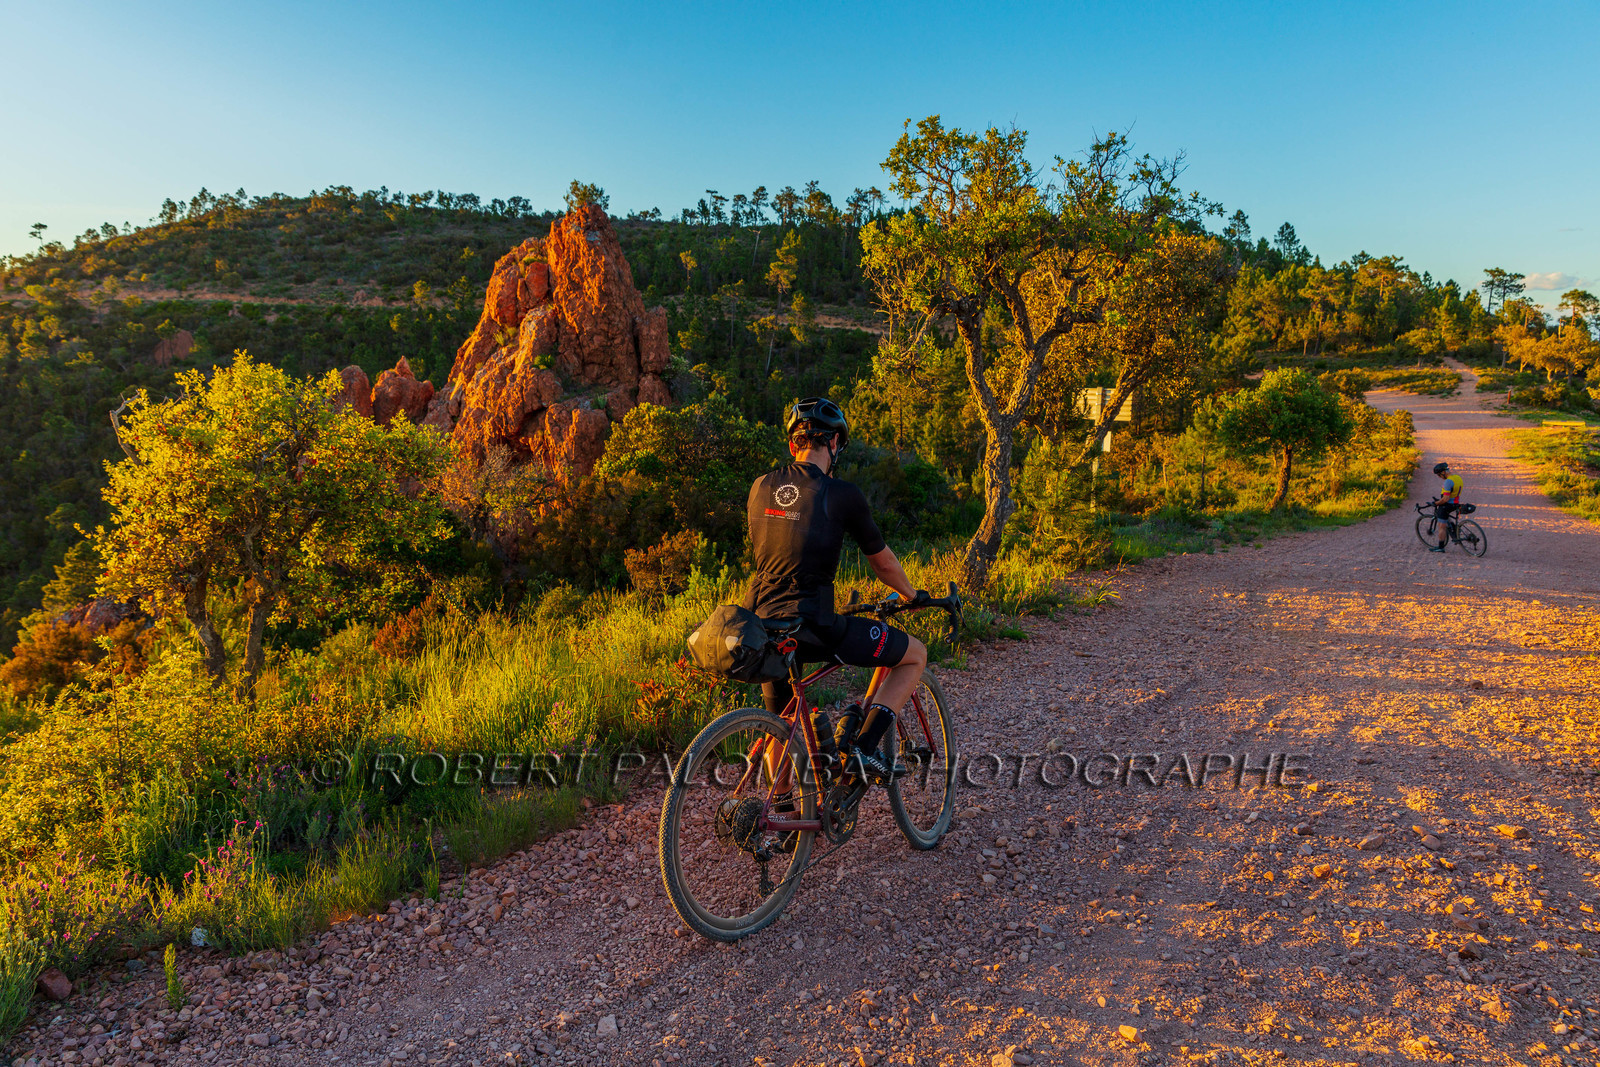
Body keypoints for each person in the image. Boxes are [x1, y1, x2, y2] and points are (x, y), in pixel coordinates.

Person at [743, 397, 928, 784]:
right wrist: (912, 595)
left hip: (760, 626)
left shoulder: (760, 486)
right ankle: (863, 748)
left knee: (784, 719)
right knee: (914, 655)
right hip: (814, 626)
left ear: (793, 444)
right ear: (834, 444)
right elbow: (883, 563)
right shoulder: (841, 494)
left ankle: (781, 814)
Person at [1430, 461, 1463, 552]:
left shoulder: (1448, 482)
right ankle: (1453, 529)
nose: (1439, 477)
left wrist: (1436, 503)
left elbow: (1445, 499)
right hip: (1456, 503)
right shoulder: (1457, 477)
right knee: (1446, 518)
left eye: (1439, 475)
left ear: (1443, 473)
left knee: (1441, 526)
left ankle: (1441, 547)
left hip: (1447, 505)